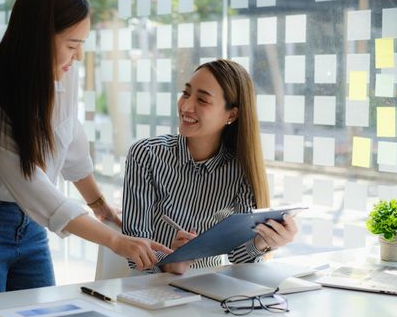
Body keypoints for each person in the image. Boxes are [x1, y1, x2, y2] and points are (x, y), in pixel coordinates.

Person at [0, 0, 170, 298]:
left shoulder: (63, 75)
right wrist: (115, 242)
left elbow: (70, 142)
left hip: (31, 224)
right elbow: (33, 186)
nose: (77, 56)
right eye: (72, 45)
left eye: (81, 46)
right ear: (37, 38)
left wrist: (100, 206)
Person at [122, 59, 298, 274]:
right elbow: (134, 247)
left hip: (212, 290)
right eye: (186, 93)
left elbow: (238, 257)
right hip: (153, 289)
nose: (185, 106)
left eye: (202, 100)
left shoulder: (241, 169)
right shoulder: (146, 155)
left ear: (231, 115)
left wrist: (265, 241)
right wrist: (170, 262)